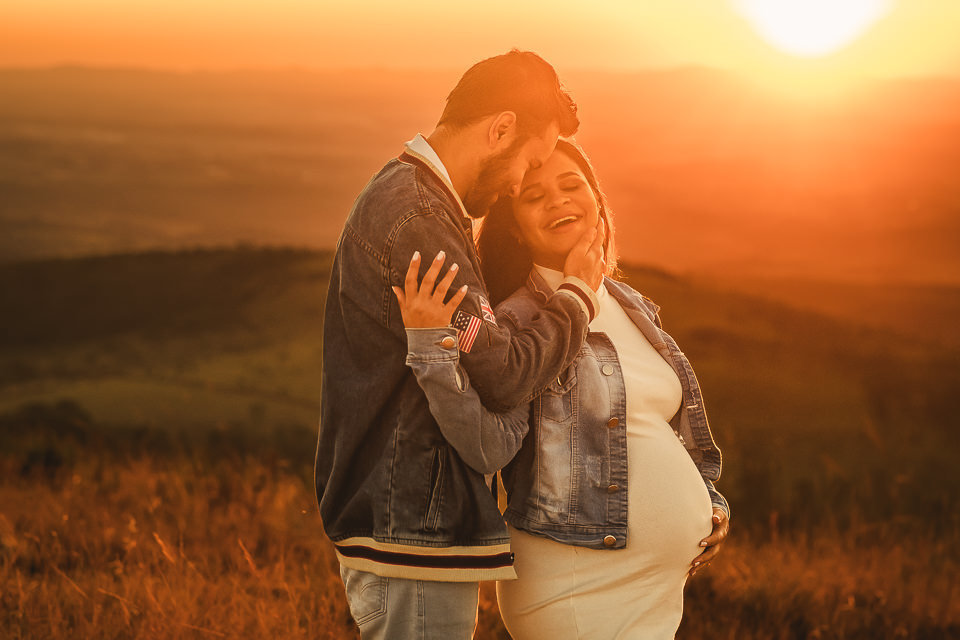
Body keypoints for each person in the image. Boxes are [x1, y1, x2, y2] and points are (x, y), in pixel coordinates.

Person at [315, 51, 606, 639]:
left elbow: (476, 348)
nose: (523, 182)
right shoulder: (420, 219)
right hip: (413, 529)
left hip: (406, 524)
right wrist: (576, 297)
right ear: (499, 130)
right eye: (529, 161)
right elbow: (500, 371)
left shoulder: (412, 198)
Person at [393, 138, 730, 639]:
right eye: (534, 195)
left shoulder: (631, 304)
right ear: (515, 225)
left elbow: (659, 427)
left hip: (656, 592)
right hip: (576, 584)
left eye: (572, 185)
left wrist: (707, 501)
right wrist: (430, 351)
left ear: (597, 201)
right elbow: (485, 447)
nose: (558, 200)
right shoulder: (515, 323)